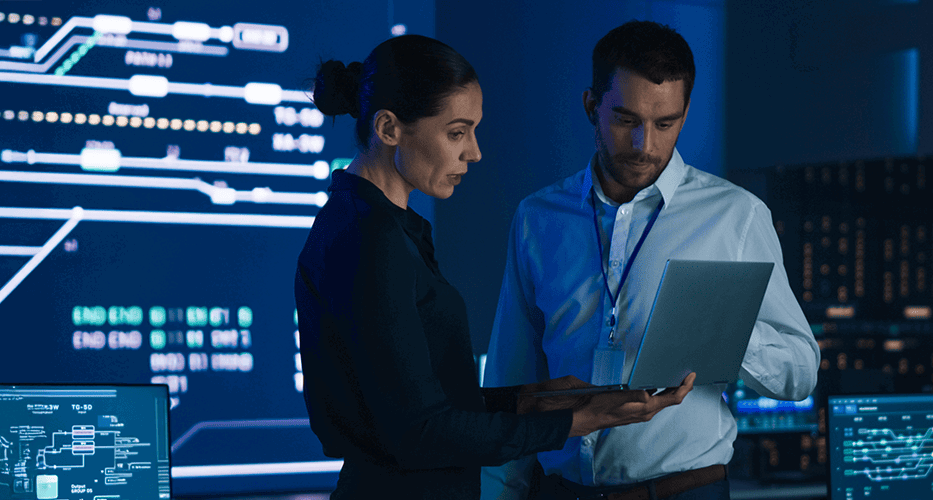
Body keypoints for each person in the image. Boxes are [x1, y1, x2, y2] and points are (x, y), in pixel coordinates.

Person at [294, 34, 695, 500]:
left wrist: (532, 400)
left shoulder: (380, 228)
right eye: (456, 132)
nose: (474, 152)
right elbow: (420, 434)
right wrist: (578, 421)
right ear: (388, 128)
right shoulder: (367, 239)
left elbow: (412, 405)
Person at [481, 21, 819, 500]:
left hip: (686, 492)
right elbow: (511, 378)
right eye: (625, 121)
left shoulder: (737, 216)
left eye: (665, 124)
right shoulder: (538, 218)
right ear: (590, 107)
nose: (645, 145)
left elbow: (801, 370)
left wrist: (723, 331)